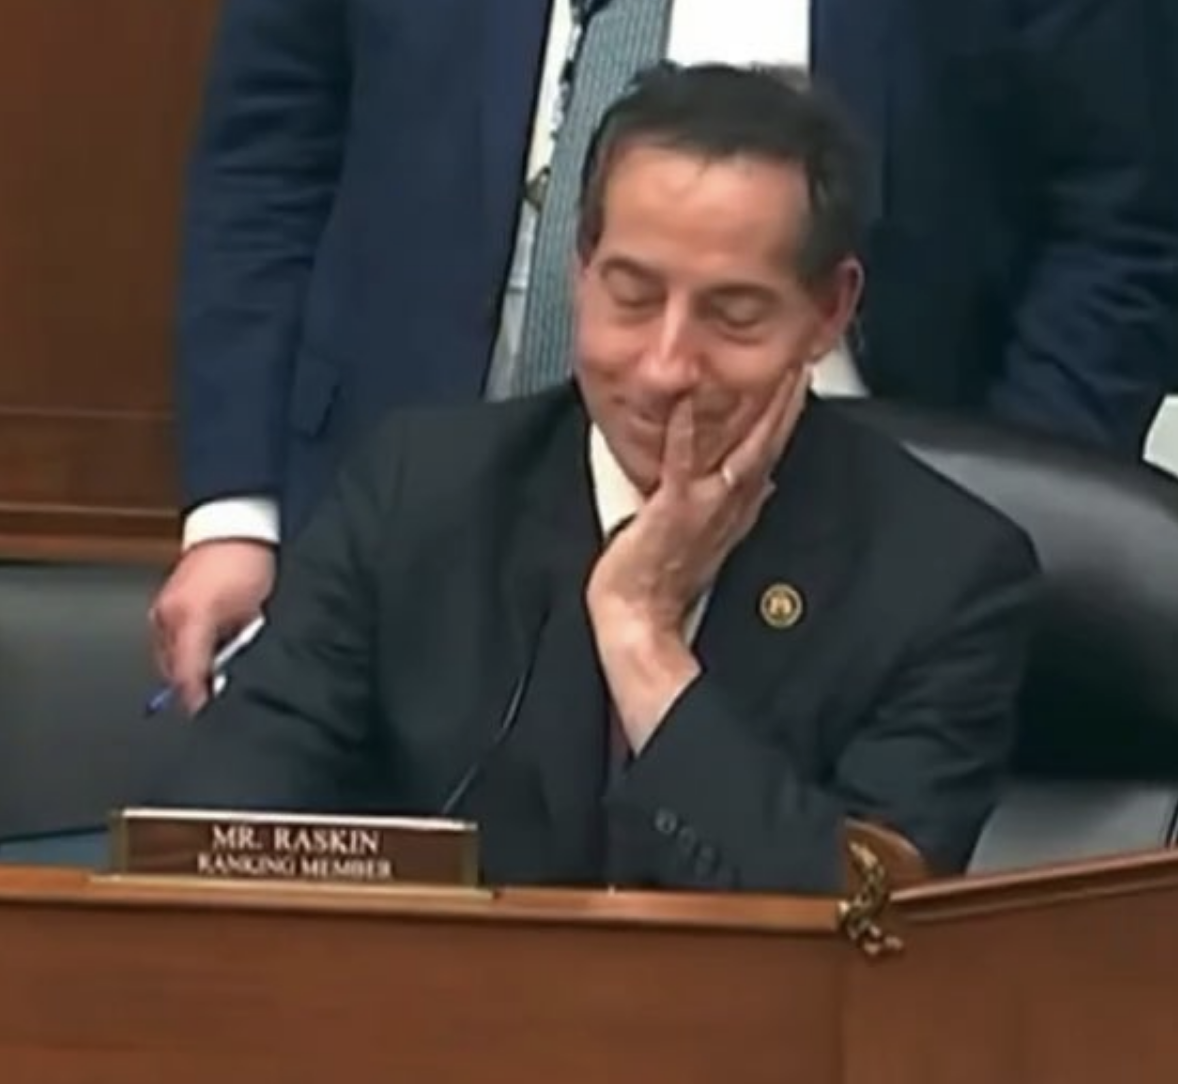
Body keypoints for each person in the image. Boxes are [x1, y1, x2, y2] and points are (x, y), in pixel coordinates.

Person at [156, 66, 1041, 896]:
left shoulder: (945, 572)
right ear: (579, 270)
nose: (664, 368)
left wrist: (641, 638)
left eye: (732, 316)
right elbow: (215, 831)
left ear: (829, 311)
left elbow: (869, 918)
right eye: (631, 296)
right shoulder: (419, 491)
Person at [153, 0, 1163, 712]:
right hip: (427, 520)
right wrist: (240, 512)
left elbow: (1122, 219)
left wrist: (1006, 523)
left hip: (835, 541)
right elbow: (269, 156)